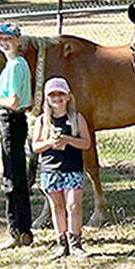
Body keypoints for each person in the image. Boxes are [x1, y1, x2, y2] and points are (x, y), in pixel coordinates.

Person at [31, 77, 92, 258]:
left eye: (60, 94)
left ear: (68, 97)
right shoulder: (42, 121)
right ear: (46, 99)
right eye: (52, 95)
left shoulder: (76, 118)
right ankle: (61, 242)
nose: (56, 99)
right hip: (50, 169)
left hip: (72, 167)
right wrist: (50, 142)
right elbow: (35, 146)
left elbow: (86, 143)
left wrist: (68, 140)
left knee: (73, 205)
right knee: (57, 207)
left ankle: (76, 243)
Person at [0, 22, 33, 249]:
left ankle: (16, 231)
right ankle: (23, 230)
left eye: (8, 38)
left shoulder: (14, 66)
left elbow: (13, 101)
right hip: (15, 121)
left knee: (11, 177)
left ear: (17, 41)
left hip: (10, 120)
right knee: (17, 175)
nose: (4, 42)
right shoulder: (17, 64)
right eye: (0, 39)